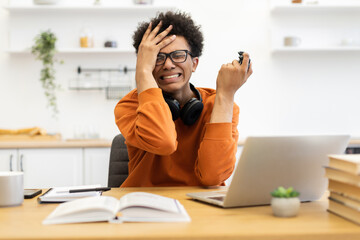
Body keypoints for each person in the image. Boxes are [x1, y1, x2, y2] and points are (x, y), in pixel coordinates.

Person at [114, 11, 252, 187]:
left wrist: (225, 96)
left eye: (178, 55)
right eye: (157, 58)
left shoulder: (219, 105)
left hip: (200, 208)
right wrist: (142, 73)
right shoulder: (130, 105)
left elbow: (213, 176)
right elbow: (163, 142)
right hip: (144, 205)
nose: (168, 65)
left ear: (194, 64)